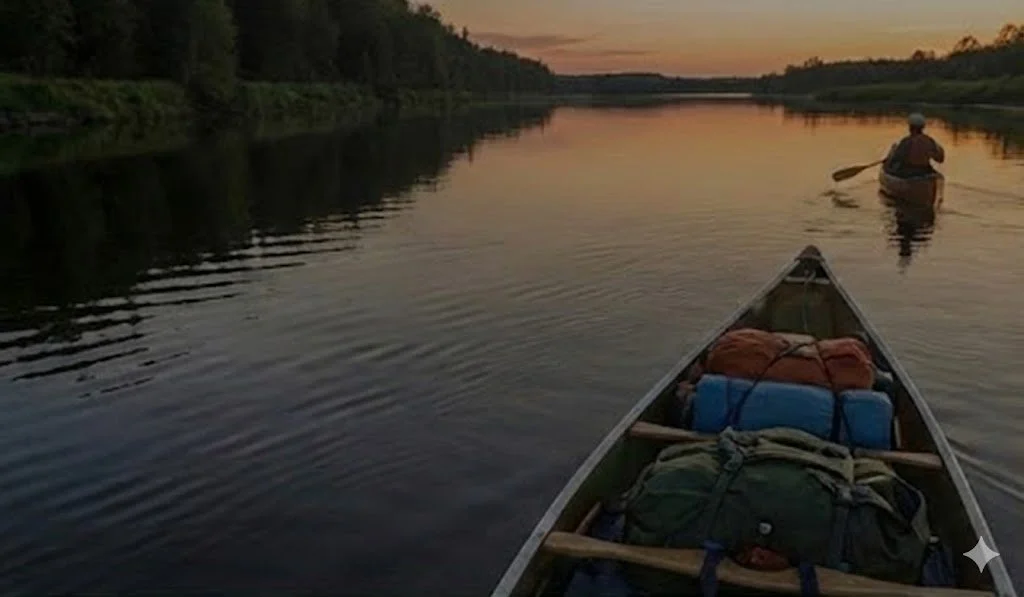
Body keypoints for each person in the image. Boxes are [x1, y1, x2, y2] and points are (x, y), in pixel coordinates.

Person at [883, 113, 945, 178]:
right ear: (923, 127)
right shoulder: (929, 141)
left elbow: (897, 158)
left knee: (893, 168)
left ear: (910, 127)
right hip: (924, 171)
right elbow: (940, 159)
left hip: (908, 172)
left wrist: (888, 160)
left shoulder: (907, 141)